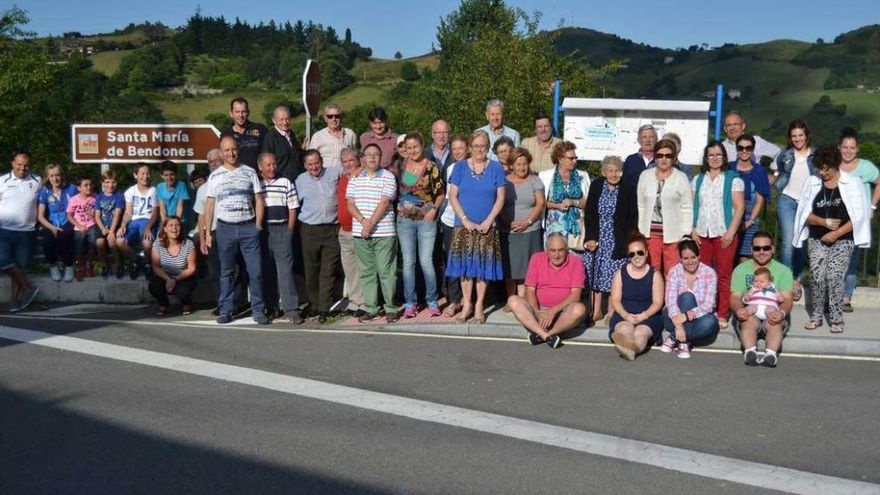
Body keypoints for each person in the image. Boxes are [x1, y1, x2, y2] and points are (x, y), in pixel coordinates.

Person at [793, 145, 870, 334]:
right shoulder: (812, 183)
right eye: (819, 168)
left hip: (843, 239)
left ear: (836, 165)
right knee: (818, 277)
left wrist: (836, 233)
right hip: (817, 238)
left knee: (835, 276)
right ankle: (817, 315)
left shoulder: (852, 183)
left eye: (826, 169)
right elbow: (804, 214)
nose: (822, 172)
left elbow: (859, 216)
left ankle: (836, 318)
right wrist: (824, 222)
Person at [203, 136, 268, 325]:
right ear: (221, 152)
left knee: (255, 271)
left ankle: (258, 309)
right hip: (225, 229)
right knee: (226, 272)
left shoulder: (249, 172)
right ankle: (226, 309)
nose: (231, 153)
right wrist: (207, 232)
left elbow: (258, 199)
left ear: (238, 150)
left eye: (234, 149)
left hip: (248, 227)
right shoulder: (215, 176)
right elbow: (209, 205)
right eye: (227, 150)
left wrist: (258, 224)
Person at [446, 130, 506, 324]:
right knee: (465, 269)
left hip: (487, 226)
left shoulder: (496, 168)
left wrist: (489, 220)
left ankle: (479, 305)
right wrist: (464, 219)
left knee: (482, 269)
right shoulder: (460, 167)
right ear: (470, 148)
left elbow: (501, 197)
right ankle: (466, 305)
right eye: (476, 146)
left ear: (488, 147)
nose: (480, 149)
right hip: (463, 225)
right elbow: (453, 196)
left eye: (483, 145)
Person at [691, 141, 744, 329]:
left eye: (718, 155)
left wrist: (731, 231)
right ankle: (705, 309)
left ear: (724, 157)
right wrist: (693, 229)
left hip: (724, 234)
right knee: (703, 275)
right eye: (711, 155)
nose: (714, 158)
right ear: (706, 158)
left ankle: (722, 313)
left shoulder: (733, 179)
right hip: (702, 234)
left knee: (723, 275)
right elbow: (692, 206)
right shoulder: (697, 179)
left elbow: (739, 208)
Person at [347, 143, 400, 323]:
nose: (372, 157)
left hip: (383, 231)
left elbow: (385, 202)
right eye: (368, 154)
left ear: (380, 158)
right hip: (360, 232)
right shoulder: (355, 178)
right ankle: (371, 307)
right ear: (363, 157)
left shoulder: (388, 177)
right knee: (367, 272)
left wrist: (369, 225)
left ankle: (391, 308)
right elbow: (350, 204)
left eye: (376, 155)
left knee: (386, 272)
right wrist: (363, 222)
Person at [506, 233, 587, 348]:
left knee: (579, 309)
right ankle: (546, 336)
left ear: (566, 250)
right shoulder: (537, 258)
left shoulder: (576, 262)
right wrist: (537, 312)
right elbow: (530, 290)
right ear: (547, 251)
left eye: (561, 250)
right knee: (513, 300)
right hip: (539, 309)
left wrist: (553, 311)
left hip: (562, 312)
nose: (557, 255)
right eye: (553, 250)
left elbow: (575, 295)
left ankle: (543, 334)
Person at [583, 155, 637, 322]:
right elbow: (590, 213)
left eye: (617, 171)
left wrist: (629, 241)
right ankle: (596, 310)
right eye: (610, 171)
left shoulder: (628, 188)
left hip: (618, 238)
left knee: (615, 277)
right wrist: (591, 237)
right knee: (596, 273)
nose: (614, 174)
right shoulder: (596, 185)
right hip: (599, 237)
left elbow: (632, 216)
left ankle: (612, 311)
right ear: (603, 172)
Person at [397, 132, 445, 317]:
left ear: (422, 146)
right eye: (408, 148)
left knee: (426, 262)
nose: (412, 151)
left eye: (415, 147)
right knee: (408, 263)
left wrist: (433, 210)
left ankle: (432, 301)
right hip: (405, 221)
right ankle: (410, 303)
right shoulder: (400, 166)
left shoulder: (431, 166)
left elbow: (440, 192)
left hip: (426, 220)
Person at [730, 231, 793, 367]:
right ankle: (750, 352)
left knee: (774, 323)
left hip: (773, 310)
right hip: (751, 310)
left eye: (766, 248)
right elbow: (735, 297)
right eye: (757, 248)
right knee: (747, 320)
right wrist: (739, 309)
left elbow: (787, 299)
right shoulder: (741, 270)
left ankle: (771, 355)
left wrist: (781, 313)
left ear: (773, 249)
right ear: (751, 250)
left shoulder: (783, 271)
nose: (762, 251)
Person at [195, 148, 246, 316]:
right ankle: (222, 302)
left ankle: (237, 302)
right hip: (213, 233)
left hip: (232, 229)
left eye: (217, 160)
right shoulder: (204, 187)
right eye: (211, 162)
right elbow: (201, 215)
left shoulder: (233, 179)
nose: (214, 164)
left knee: (234, 268)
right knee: (216, 270)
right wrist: (202, 238)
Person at [295, 149, 344, 323]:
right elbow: (294, 204)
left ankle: (324, 308)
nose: (314, 167)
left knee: (328, 270)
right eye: (310, 164)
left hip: (331, 228)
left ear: (322, 161)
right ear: (305, 165)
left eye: (316, 162)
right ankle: (314, 304)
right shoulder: (300, 180)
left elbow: (351, 167)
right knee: (312, 269)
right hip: (310, 229)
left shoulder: (333, 172)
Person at [838, 128, 880, 312]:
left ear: (857, 149)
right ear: (839, 147)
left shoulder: (866, 167)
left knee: (852, 260)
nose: (848, 151)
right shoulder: (834, 165)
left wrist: (872, 206)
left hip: (859, 221)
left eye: (852, 147)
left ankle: (846, 297)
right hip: (837, 219)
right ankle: (833, 295)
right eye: (845, 147)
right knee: (836, 259)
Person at [259, 152, 303, 325]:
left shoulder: (285, 182)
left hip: (282, 229)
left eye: (274, 164)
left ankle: (291, 309)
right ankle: (271, 307)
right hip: (264, 231)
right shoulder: (257, 184)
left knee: (285, 272)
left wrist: (290, 230)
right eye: (268, 165)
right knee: (266, 272)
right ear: (260, 167)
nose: (272, 168)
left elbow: (293, 207)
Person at [636, 139, 693, 275]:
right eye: (660, 155)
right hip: (650, 234)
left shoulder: (681, 177)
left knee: (672, 273)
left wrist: (685, 233)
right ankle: (654, 297)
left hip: (674, 235)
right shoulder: (645, 176)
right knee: (652, 271)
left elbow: (687, 208)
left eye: (668, 156)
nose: (663, 159)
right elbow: (641, 205)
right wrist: (641, 230)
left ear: (673, 158)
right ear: (655, 157)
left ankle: (671, 297)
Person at [500, 148, 545, 310]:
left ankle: (523, 300)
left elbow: (540, 203)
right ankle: (511, 300)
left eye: (524, 163)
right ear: (511, 165)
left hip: (530, 230)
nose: (521, 167)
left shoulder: (535, 181)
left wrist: (528, 221)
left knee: (527, 268)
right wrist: (507, 222)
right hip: (508, 230)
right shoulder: (504, 181)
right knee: (511, 267)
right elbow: (499, 204)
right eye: (518, 164)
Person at [775, 119, 815, 301]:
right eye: (794, 136)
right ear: (790, 138)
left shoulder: (815, 155)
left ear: (806, 135)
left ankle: (797, 277)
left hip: (807, 203)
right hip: (787, 200)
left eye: (800, 135)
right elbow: (780, 173)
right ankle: (787, 280)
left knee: (802, 242)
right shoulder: (785, 155)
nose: (797, 139)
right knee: (788, 241)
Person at [608, 234, 664, 361]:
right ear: (628, 257)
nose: (636, 257)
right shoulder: (620, 273)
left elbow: (658, 302)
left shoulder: (655, 275)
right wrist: (626, 315)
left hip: (649, 315)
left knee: (641, 332)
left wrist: (644, 315)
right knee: (625, 328)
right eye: (632, 254)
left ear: (646, 253)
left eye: (640, 252)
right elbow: (615, 299)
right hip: (624, 313)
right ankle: (626, 344)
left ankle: (634, 349)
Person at [661, 239, 719, 359]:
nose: (690, 261)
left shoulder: (709, 273)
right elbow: (670, 301)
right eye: (685, 258)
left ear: (699, 256)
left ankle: (674, 338)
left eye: (693, 257)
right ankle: (682, 343)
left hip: (699, 318)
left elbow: (708, 305)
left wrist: (687, 316)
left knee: (711, 322)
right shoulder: (674, 272)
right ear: (680, 259)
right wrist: (678, 325)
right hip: (673, 317)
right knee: (687, 297)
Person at [0, 150, 41, 312]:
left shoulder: (37, 180)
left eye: (26, 165)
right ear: (12, 164)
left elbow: (42, 203)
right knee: (3, 262)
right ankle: (29, 289)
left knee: (20, 267)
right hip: (4, 230)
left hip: (27, 231)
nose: (23, 168)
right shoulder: (2, 181)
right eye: (19, 164)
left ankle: (14, 300)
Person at [438, 135, 469, 317]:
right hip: (451, 220)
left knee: (469, 262)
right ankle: (454, 300)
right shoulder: (450, 168)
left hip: (471, 221)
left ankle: (468, 300)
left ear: (468, 150)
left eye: (461, 148)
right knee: (453, 261)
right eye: (454, 148)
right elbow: (449, 197)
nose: (457, 152)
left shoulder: (475, 167)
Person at [539, 141, 590, 247]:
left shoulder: (583, 176)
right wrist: (556, 205)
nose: (575, 161)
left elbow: (589, 202)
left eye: (575, 158)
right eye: (571, 158)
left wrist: (573, 202)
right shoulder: (545, 176)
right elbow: (540, 202)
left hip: (576, 227)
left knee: (575, 259)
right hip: (554, 227)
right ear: (560, 159)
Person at [731, 134, 772, 261]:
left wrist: (750, 221)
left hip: (750, 218)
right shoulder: (729, 169)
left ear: (753, 149)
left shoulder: (759, 171)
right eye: (741, 147)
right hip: (730, 216)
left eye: (748, 148)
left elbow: (759, 201)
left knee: (745, 257)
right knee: (728, 257)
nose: (744, 151)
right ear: (736, 149)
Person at [337, 147, 365, 317]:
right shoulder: (342, 179)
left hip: (359, 230)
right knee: (350, 270)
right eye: (345, 162)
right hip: (344, 231)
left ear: (358, 161)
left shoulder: (363, 178)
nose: (348, 164)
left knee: (364, 268)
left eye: (351, 161)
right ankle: (355, 302)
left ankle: (365, 302)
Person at [149, 216, 198, 316]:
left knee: (183, 291)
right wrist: (168, 279)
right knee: (154, 287)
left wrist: (175, 279)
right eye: (170, 225)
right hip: (164, 275)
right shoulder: (157, 244)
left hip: (183, 276)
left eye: (177, 225)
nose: (174, 228)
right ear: (165, 229)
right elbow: (156, 266)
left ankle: (186, 303)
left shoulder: (188, 244)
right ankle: (163, 304)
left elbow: (192, 268)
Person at [117, 163, 158, 280]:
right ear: (135, 175)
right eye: (142, 174)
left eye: (148, 173)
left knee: (147, 243)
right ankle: (136, 260)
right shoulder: (130, 191)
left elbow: (155, 213)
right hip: (134, 222)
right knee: (119, 241)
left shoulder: (154, 191)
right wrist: (123, 224)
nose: (145, 176)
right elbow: (128, 212)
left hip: (148, 221)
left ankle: (148, 263)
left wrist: (148, 227)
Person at [37, 164, 77, 282]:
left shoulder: (72, 189)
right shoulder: (45, 192)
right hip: (51, 222)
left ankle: (69, 266)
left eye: (57, 175)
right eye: (52, 176)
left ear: (62, 175)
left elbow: (84, 201)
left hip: (69, 220)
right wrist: (52, 227)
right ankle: (53, 266)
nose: (55, 179)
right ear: (48, 177)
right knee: (47, 237)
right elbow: (40, 216)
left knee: (65, 235)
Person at [721, 111, 781, 178]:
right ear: (725, 129)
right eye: (729, 125)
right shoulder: (721, 148)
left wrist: (775, 175)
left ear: (743, 126)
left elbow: (780, 153)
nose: (732, 128)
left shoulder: (756, 141)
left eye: (736, 124)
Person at [65, 177, 98, 280]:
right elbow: (69, 215)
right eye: (86, 185)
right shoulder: (73, 200)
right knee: (79, 248)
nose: (89, 187)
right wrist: (79, 226)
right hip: (79, 227)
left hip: (92, 225)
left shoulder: (95, 198)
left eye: (90, 185)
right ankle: (80, 267)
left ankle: (89, 265)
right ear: (79, 188)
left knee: (92, 243)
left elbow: (100, 212)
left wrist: (95, 213)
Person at [94, 170, 125, 278]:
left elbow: (117, 214)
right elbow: (97, 216)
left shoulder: (119, 196)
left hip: (114, 226)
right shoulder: (99, 197)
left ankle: (118, 265)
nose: (110, 185)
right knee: (99, 242)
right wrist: (102, 229)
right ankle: (104, 265)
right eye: (107, 182)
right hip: (102, 226)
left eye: (113, 182)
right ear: (102, 183)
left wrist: (111, 231)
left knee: (112, 242)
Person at [221, 97, 267, 169]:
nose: (241, 115)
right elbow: (224, 158)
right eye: (237, 112)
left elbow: (268, 154)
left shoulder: (260, 129)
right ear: (231, 113)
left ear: (248, 112)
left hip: (259, 177)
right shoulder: (226, 134)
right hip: (237, 177)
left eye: (244, 112)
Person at [262, 105, 304, 182]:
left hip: (296, 180)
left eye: (287, 119)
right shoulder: (270, 137)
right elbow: (267, 161)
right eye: (281, 120)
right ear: (274, 120)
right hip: (280, 181)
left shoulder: (291, 134)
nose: (285, 122)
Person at [308, 103, 357, 168]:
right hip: (325, 176)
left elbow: (356, 156)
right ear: (325, 118)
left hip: (346, 174)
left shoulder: (350, 134)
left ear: (341, 117)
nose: (334, 119)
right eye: (330, 116)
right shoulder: (317, 137)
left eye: (337, 116)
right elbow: (311, 159)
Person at [156, 161, 190, 226]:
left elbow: (180, 207)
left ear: (176, 174)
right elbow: (162, 209)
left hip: (180, 220)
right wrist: (165, 225)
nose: (169, 178)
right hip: (165, 221)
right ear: (161, 176)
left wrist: (176, 224)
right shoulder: (159, 187)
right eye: (166, 175)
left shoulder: (181, 185)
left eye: (171, 174)